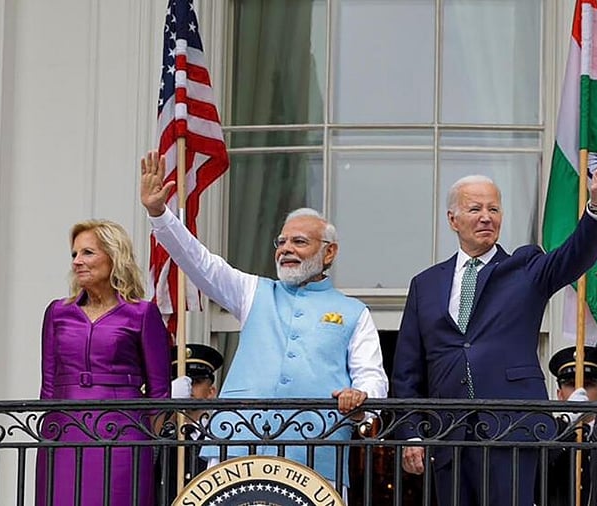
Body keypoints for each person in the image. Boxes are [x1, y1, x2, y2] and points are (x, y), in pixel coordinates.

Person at [139, 151, 388, 490]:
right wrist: (159, 213)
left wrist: (360, 400)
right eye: (281, 241)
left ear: (328, 252)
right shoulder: (253, 290)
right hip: (237, 447)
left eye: (299, 242)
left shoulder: (354, 313)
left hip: (315, 456)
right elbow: (200, 263)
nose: (286, 249)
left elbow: (372, 379)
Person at [392, 157, 597, 506]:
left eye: (494, 209)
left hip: (512, 428)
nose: (486, 216)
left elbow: (575, 255)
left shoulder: (526, 267)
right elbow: (408, 371)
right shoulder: (425, 284)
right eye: (475, 208)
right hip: (449, 436)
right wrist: (410, 434)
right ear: (453, 219)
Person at [35, 220, 171, 506]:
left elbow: (159, 391)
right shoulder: (58, 312)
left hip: (124, 432)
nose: (77, 262)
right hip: (63, 430)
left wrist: (147, 441)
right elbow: (48, 385)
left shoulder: (141, 313)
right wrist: (49, 430)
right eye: (74, 255)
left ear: (113, 256)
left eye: (87, 253)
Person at [535, 346, 597, 506]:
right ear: (560, 394)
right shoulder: (548, 432)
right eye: (571, 385)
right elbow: (535, 470)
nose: (581, 391)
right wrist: (567, 423)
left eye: (588, 384)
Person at [161, 344, 224, 504]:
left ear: (211, 392)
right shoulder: (160, 435)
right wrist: (166, 403)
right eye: (180, 381)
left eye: (195, 381)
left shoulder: (219, 436)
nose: (188, 387)